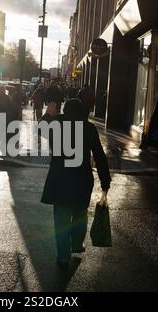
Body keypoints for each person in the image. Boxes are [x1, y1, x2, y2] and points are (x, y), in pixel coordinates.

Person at [41, 99, 112, 268]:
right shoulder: (89, 128)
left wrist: (47, 115)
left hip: (60, 178)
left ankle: (63, 256)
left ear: (65, 110)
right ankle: (77, 244)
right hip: (82, 179)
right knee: (80, 214)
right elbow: (99, 156)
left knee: (62, 218)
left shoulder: (57, 123)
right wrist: (105, 180)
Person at [140, 84, 158, 150]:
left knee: (152, 131)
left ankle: (146, 144)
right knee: (154, 131)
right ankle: (148, 144)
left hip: (157, 117)